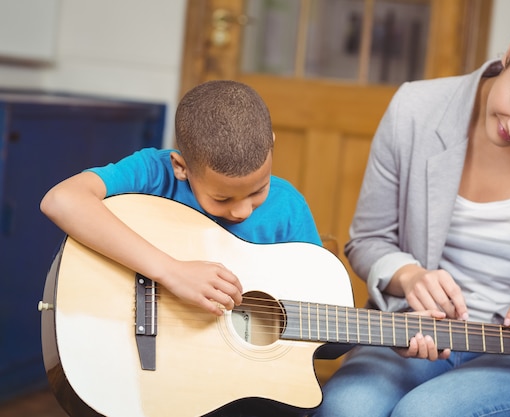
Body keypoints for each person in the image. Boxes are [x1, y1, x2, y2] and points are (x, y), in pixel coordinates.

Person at [313, 7, 510, 417]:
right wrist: (411, 278)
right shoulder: (415, 110)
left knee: (425, 413)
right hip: (418, 332)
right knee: (346, 409)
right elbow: (369, 239)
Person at [40, 79, 321, 317]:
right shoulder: (153, 172)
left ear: (272, 144)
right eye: (222, 199)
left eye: (258, 191)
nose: (242, 211)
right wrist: (170, 272)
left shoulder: (288, 209)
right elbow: (62, 199)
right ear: (181, 167)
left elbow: (317, 299)